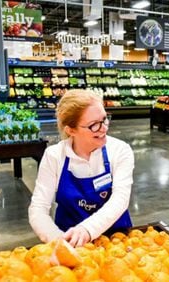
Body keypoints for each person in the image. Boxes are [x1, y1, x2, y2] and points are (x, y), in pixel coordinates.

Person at [28, 89, 134, 247]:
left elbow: (120, 199)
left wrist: (87, 229)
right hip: (69, 240)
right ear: (71, 130)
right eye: (94, 125)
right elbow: (38, 208)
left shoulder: (119, 150)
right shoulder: (55, 156)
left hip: (115, 239)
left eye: (104, 119)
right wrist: (57, 239)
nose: (104, 128)